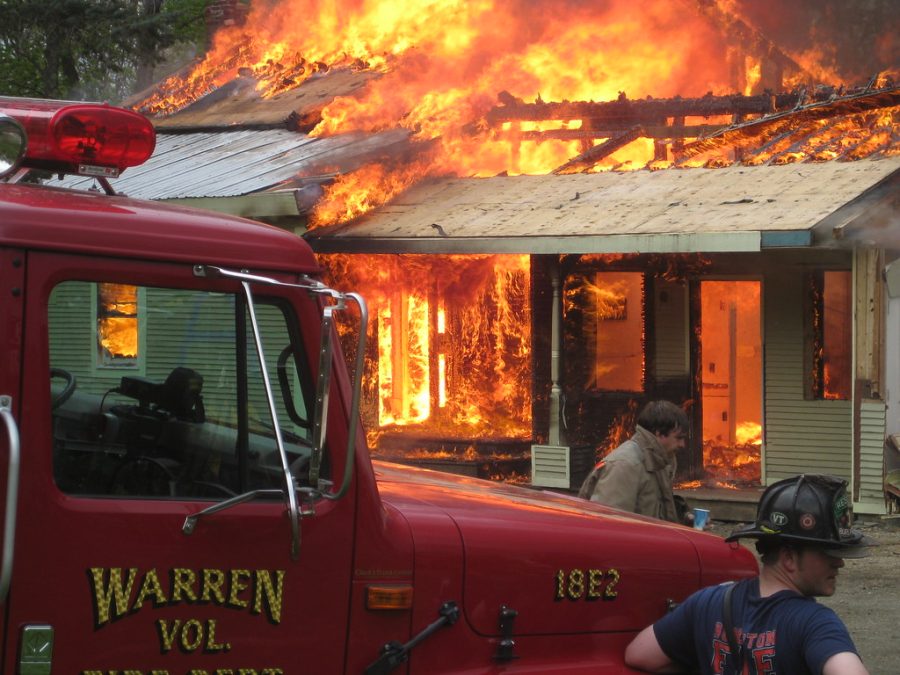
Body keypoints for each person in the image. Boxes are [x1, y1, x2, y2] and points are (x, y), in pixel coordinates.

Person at [624, 474, 875, 675]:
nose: (839, 563)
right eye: (827, 552)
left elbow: (640, 654)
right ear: (788, 558)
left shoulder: (707, 602)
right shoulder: (814, 623)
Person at [578, 400, 689, 523]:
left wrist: (685, 519)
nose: (682, 444)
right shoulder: (624, 465)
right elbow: (608, 526)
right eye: (679, 438)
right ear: (659, 433)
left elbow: (655, 509)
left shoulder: (659, 459)